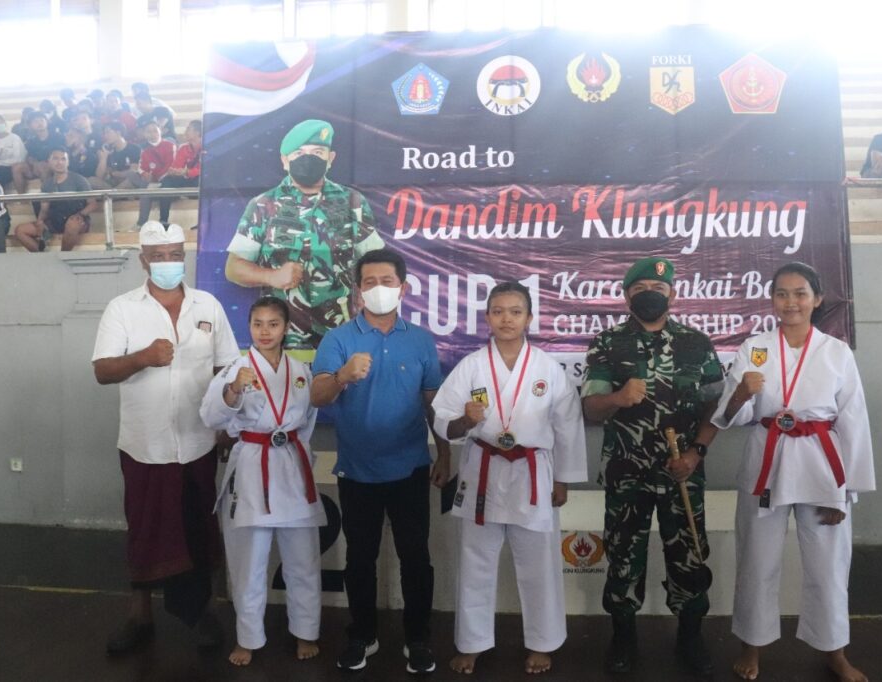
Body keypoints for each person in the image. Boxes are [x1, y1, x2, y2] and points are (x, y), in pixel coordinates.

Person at [711, 262, 875, 682]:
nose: (791, 302)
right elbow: (730, 415)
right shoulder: (755, 348)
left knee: (828, 564)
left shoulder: (837, 352)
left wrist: (846, 492)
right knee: (757, 558)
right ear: (772, 300)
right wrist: (741, 393)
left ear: (817, 299)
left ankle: (834, 650)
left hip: (822, 463)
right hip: (767, 457)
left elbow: (854, 422)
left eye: (800, 293)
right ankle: (752, 646)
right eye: (781, 294)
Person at [92, 221, 239, 656]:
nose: (168, 263)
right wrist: (143, 357)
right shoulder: (122, 308)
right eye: (159, 256)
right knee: (146, 529)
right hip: (145, 444)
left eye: (175, 254)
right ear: (144, 261)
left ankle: (201, 613)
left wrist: (225, 424)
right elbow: (102, 370)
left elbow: (226, 368)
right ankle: (139, 617)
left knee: (198, 528)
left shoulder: (208, 305)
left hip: (198, 441)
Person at [432, 281, 588, 675]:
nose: (507, 319)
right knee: (475, 562)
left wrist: (563, 479)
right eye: (498, 311)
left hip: (533, 473)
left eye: (515, 312)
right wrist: (464, 420)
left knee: (539, 563)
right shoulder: (471, 366)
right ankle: (471, 643)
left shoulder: (547, 369)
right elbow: (442, 420)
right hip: (482, 470)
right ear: (487, 317)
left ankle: (542, 642)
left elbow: (567, 425)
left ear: (529, 318)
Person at [580, 256, 724, 676]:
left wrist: (696, 452)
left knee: (690, 554)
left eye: (658, 289)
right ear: (627, 296)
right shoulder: (608, 343)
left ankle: (690, 636)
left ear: (672, 295)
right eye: (640, 289)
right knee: (623, 555)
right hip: (627, 472)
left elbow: (717, 408)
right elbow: (591, 408)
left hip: (683, 471)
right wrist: (617, 398)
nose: (650, 295)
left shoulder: (697, 343)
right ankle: (623, 637)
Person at [310, 248, 451, 675]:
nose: (378, 289)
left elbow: (433, 403)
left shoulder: (420, 340)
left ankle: (418, 638)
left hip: (411, 467)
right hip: (358, 470)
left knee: (416, 558)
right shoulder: (338, 339)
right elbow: (317, 396)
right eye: (369, 282)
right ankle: (362, 635)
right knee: (359, 559)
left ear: (402, 288)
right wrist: (342, 376)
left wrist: (444, 453)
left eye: (386, 281)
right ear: (358, 290)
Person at [200, 295, 326, 667]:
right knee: (249, 561)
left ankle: (306, 632)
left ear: (286, 328)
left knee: (303, 559)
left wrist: (289, 445)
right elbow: (210, 416)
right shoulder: (235, 370)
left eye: (273, 324)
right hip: (252, 469)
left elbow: (308, 421)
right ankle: (248, 638)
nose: (265, 331)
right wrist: (234, 390)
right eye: (258, 324)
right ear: (249, 327)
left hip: (292, 468)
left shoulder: (301, 371)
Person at [226, 119, 384, 350]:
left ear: (330, 159)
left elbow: (378, 264)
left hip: (342, 338)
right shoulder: (263, 205)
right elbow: (233, 268)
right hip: (283, 341)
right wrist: (272, 276)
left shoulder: (352, 202)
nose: (308, 159)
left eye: (318, 152)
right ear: (284, 160)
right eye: (299, 153)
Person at [13, 148, 96, 252]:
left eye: (63, 159)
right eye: (55, 159)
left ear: (68, 162)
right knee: (20, 230)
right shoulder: (47, 184)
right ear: (49, 161)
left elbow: (92, 204)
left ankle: (63, 256)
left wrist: (80, 214)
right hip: (55, 221)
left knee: (72, 224)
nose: (59, 162)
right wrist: (40, 221)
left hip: (76, 219)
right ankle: (44, 257)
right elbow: (44, 209)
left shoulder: (79, 180)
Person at [130, 120, 176, 227]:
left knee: (145, 188)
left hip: (166, 180)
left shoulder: (170, 145)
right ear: (144, 134)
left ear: (161, 131)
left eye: (155, 131)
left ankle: (142, 223)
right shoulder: (144, 149)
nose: (152, 134)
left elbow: (170, 166)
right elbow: (142, 167)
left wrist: (156, 179)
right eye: (149, 131)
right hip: (150, 181)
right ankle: (141, 223)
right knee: (133, 176)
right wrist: (145, 174)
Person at [157, 119, 201, 225]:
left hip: (200, 180)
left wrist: (186, 172)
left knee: (203, 180)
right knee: (167, 181)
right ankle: (163, 221)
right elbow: (176, 166)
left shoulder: (208, 147)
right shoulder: (184, 148)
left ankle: (203, 223)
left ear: (197, 132)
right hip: (188, 179)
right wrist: (174, 171)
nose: (185, 131)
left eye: (188, 129)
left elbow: (204, 170)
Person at [13, 111, 61, 194]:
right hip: (36, 167)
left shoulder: (57, 136)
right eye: (36, 121)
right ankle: (21, 197)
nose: (39, 123)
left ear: (47, 122)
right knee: (17, 167)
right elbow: (29, 157)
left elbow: (61, 154)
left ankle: (48, 197)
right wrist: (34, 163)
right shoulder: (31, 141)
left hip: (53, 166)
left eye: (42, 120)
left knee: (43, 166)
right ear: (30, 125)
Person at [92, 121, 142, 189]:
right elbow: (99, 176)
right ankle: (114, 193)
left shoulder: (134, 148)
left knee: (132, 179)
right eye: (104, 133)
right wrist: (103, 158)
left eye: (108, 132)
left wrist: (116, 174)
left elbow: (133, 171)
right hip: (114, 185)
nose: (105, 136)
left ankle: (113, 193)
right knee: (92, 180)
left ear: (118, 132)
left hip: (128, 184)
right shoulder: (109, 151)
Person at [0, 114, 26, 188]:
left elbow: (18, 159)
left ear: (5, 123)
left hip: (10, 168)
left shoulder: (14, 138)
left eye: (0, 122)